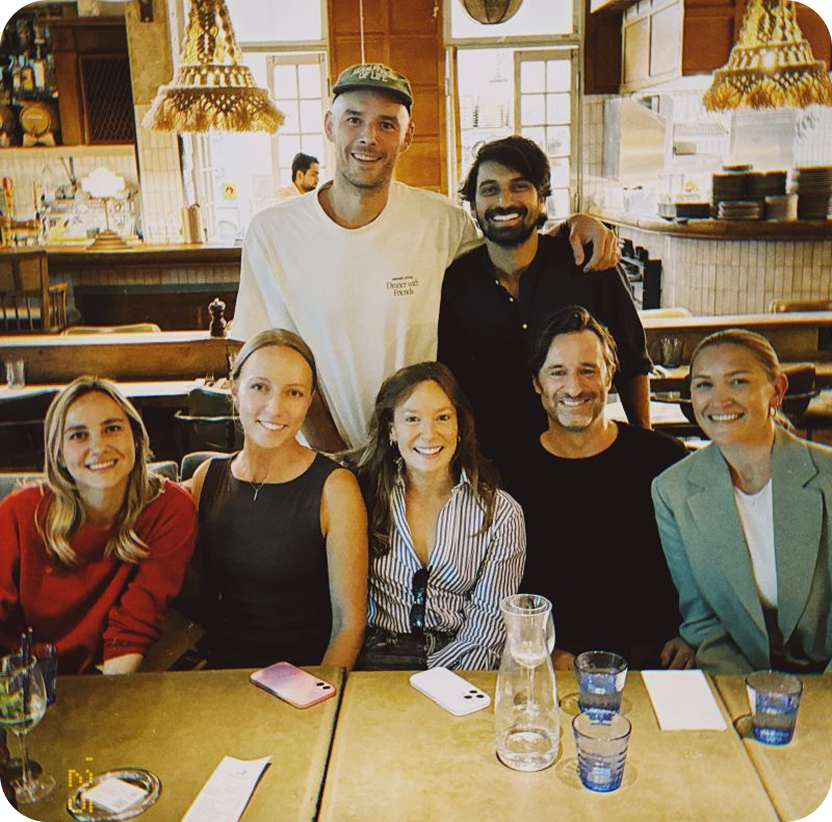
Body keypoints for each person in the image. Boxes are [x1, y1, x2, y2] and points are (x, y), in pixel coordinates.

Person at [232, 62, 621, 453]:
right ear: (330, 125)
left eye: (387, 124)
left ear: (407, 136)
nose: (368, 137)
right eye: (354, 119)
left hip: (425, 455)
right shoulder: (273, 232)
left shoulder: (442, 221)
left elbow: (509, 251)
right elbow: (264, 353)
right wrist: (337, 456)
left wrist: (573, 226)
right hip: (320, 460)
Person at [438, 137, 651, 477]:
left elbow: (633, 362)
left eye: (519, 186)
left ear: (541, 198)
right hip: (494, 468)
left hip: (584, 456)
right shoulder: (455, 284)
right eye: (490, 190)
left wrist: (644, 445)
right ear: (474, 205)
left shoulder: (588, 267)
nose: (504, 201)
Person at [508, 306, 690, 670]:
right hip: (551, 663)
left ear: (610, 377)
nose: (574, 387)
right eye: (558, 372)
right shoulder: (508, 470)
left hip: (654, 662)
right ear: (537, 383)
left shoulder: (664, 460)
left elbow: (703, 564)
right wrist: (541, 650)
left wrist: (693, 633)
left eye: (588, 370)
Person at [653, 329, 832, 674]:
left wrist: (818, 700)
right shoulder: (671, 490)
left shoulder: (827, 476)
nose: (719, 400)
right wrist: (747, 695)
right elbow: (703, 621)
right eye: (704, 385)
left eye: (737, 382)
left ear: (776, 390)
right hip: (737, 678)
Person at [187, 328, 368, 670]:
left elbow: (349, 624)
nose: (275, 408)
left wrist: (318, 691)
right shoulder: (206, 478)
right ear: (234, 389)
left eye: (293, 393)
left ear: (309, 400)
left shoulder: (335, 487)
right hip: (218, 681)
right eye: (260, 387)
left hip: (306, 680)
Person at [0, 377, 197, 675]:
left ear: (136, 437)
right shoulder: (19, 512)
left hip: (104, 674)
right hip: (22, 676)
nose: (99, 447)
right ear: (58, 454)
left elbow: (134, 625)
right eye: (79, 435)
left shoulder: (170, 508)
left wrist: (107, 700)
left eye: (112, 428)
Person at [350, 361, 525, 670]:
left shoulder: (501, 513)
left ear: (460, 426)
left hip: (459, 664)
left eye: (443, 417)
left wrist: (434, 682)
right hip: (371, 663)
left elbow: (487, 631)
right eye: (412, 419)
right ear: (392, 430)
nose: (429, 434)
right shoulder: (358, 495)